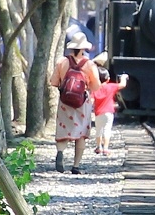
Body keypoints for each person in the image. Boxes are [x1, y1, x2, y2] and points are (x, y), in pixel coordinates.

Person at [49, 31, 101, 174]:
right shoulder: (90, 65)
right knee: (81, 133)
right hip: (82, 103)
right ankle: (75, 166)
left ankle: (60, 152)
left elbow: (54, 82)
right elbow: (96, 86)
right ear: (84, 48)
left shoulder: (62, 61)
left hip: (65, 102)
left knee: (63, 129)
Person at [91, 67, 128, 155]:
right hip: (108, 112)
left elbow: (91, 100)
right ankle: (106, 148)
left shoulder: (95, 89)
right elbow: (122, 85)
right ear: (107, 79)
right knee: (107, 129)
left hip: (98, 113)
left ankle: (99, 147)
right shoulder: (110, 86)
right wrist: (124, 77)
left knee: (98, 130)